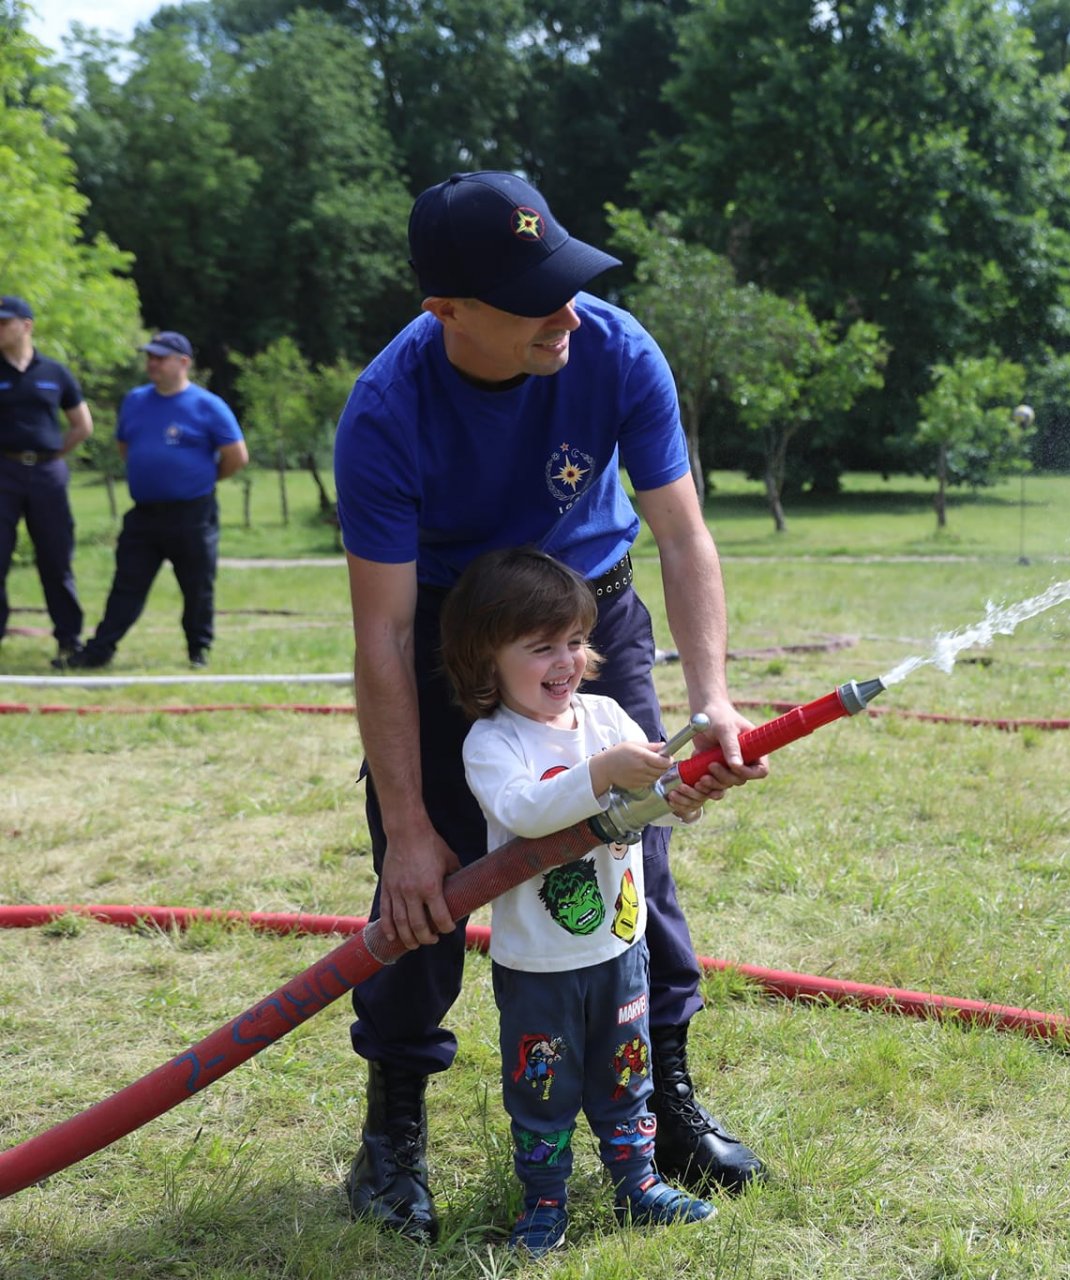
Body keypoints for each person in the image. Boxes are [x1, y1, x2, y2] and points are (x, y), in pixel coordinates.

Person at [332, 170, 768, 1244]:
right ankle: (394, 1134)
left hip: (594, 613)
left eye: (569, 283)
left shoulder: (616, 350)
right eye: (537, 299)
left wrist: (709, 694)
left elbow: (681, 535)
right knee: (424, 893)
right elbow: (384, 635)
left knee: (634, 852)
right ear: (448, 313)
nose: (568, 314)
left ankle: (663, 1099)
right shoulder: (389, 410)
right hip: (447, 633)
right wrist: (412, 826)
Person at [441, 547, 717, 1256]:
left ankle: (640, 1183)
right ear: (486, 660)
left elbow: (645, 800)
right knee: (543, 1090)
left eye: (575, 642)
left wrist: (680, 796)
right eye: (541, 648)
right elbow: (527, 811)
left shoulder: (606, 718)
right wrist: (601, 774)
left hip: (621, 949)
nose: (566, 661)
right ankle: (543, 1205)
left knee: (628, 1072)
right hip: (539, 968)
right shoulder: (493, 742)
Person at [59, 332, 247, 669]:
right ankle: (98, 651)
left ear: (184, 363)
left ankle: (198, 651)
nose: (152, 363)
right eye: (150, 357)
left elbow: (236, 456)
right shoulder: (135, 400)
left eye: (161, 357)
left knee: (197, 586)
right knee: (126, 585)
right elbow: (125, 448)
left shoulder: (208, 405)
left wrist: (203, 480)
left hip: (192, 513)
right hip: (144, 515)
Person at [0, 296, 93, 662]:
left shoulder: (55, 373)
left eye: (5, 322)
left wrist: (52, 455)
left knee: (56, 559)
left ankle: (69, 639)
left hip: (46, 474)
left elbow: (82, 424)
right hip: (2, 472)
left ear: (26, 325)